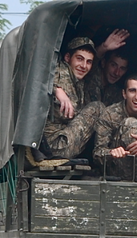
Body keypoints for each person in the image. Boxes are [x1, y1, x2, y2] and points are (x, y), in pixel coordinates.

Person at [41, 32, 129, 160]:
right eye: (79, 59)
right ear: (67, 58)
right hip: (57, 145)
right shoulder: (61, 72)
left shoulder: (78, 80)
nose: (83, 66)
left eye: (89, 62)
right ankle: (102, 153)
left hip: (62, 140)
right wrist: (56, 89)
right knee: (97, 108)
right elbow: (41, 77)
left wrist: (104, 47)